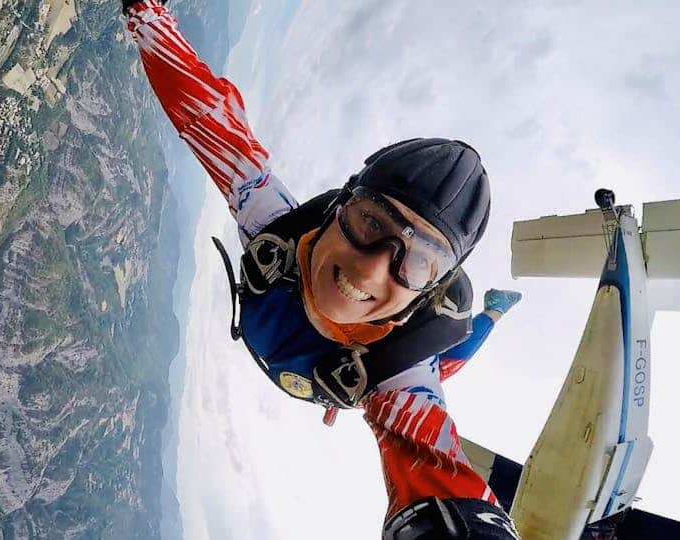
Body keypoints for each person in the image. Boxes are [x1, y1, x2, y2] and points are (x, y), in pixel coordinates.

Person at [123, 1, 522, 537]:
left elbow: (438, 472)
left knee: (447, 358)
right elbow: (203, 113)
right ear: (339, 207)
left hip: (393, 351)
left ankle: (490, 317)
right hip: (344, 362)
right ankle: (487, 312)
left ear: (429, 291)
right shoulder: (275, 229)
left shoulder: (400, 376)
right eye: (371, 222)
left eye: (417, 262)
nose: (376, 265)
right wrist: (146, 13)